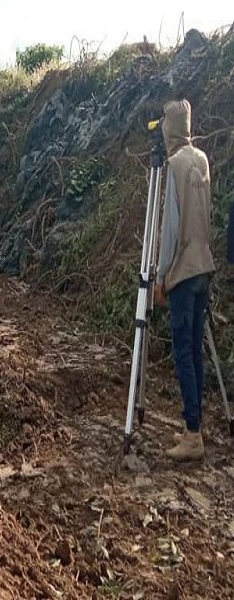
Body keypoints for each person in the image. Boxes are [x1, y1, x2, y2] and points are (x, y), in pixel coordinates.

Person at [154, 99, 215, 462]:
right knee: (195, 351)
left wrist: (161, 277)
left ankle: (193, 435)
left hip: (182, 271)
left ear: (169, 129)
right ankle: (195, 425)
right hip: (203, 267)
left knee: (184, 353)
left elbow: (169, 229)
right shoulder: (203, 160)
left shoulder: (174, 166)